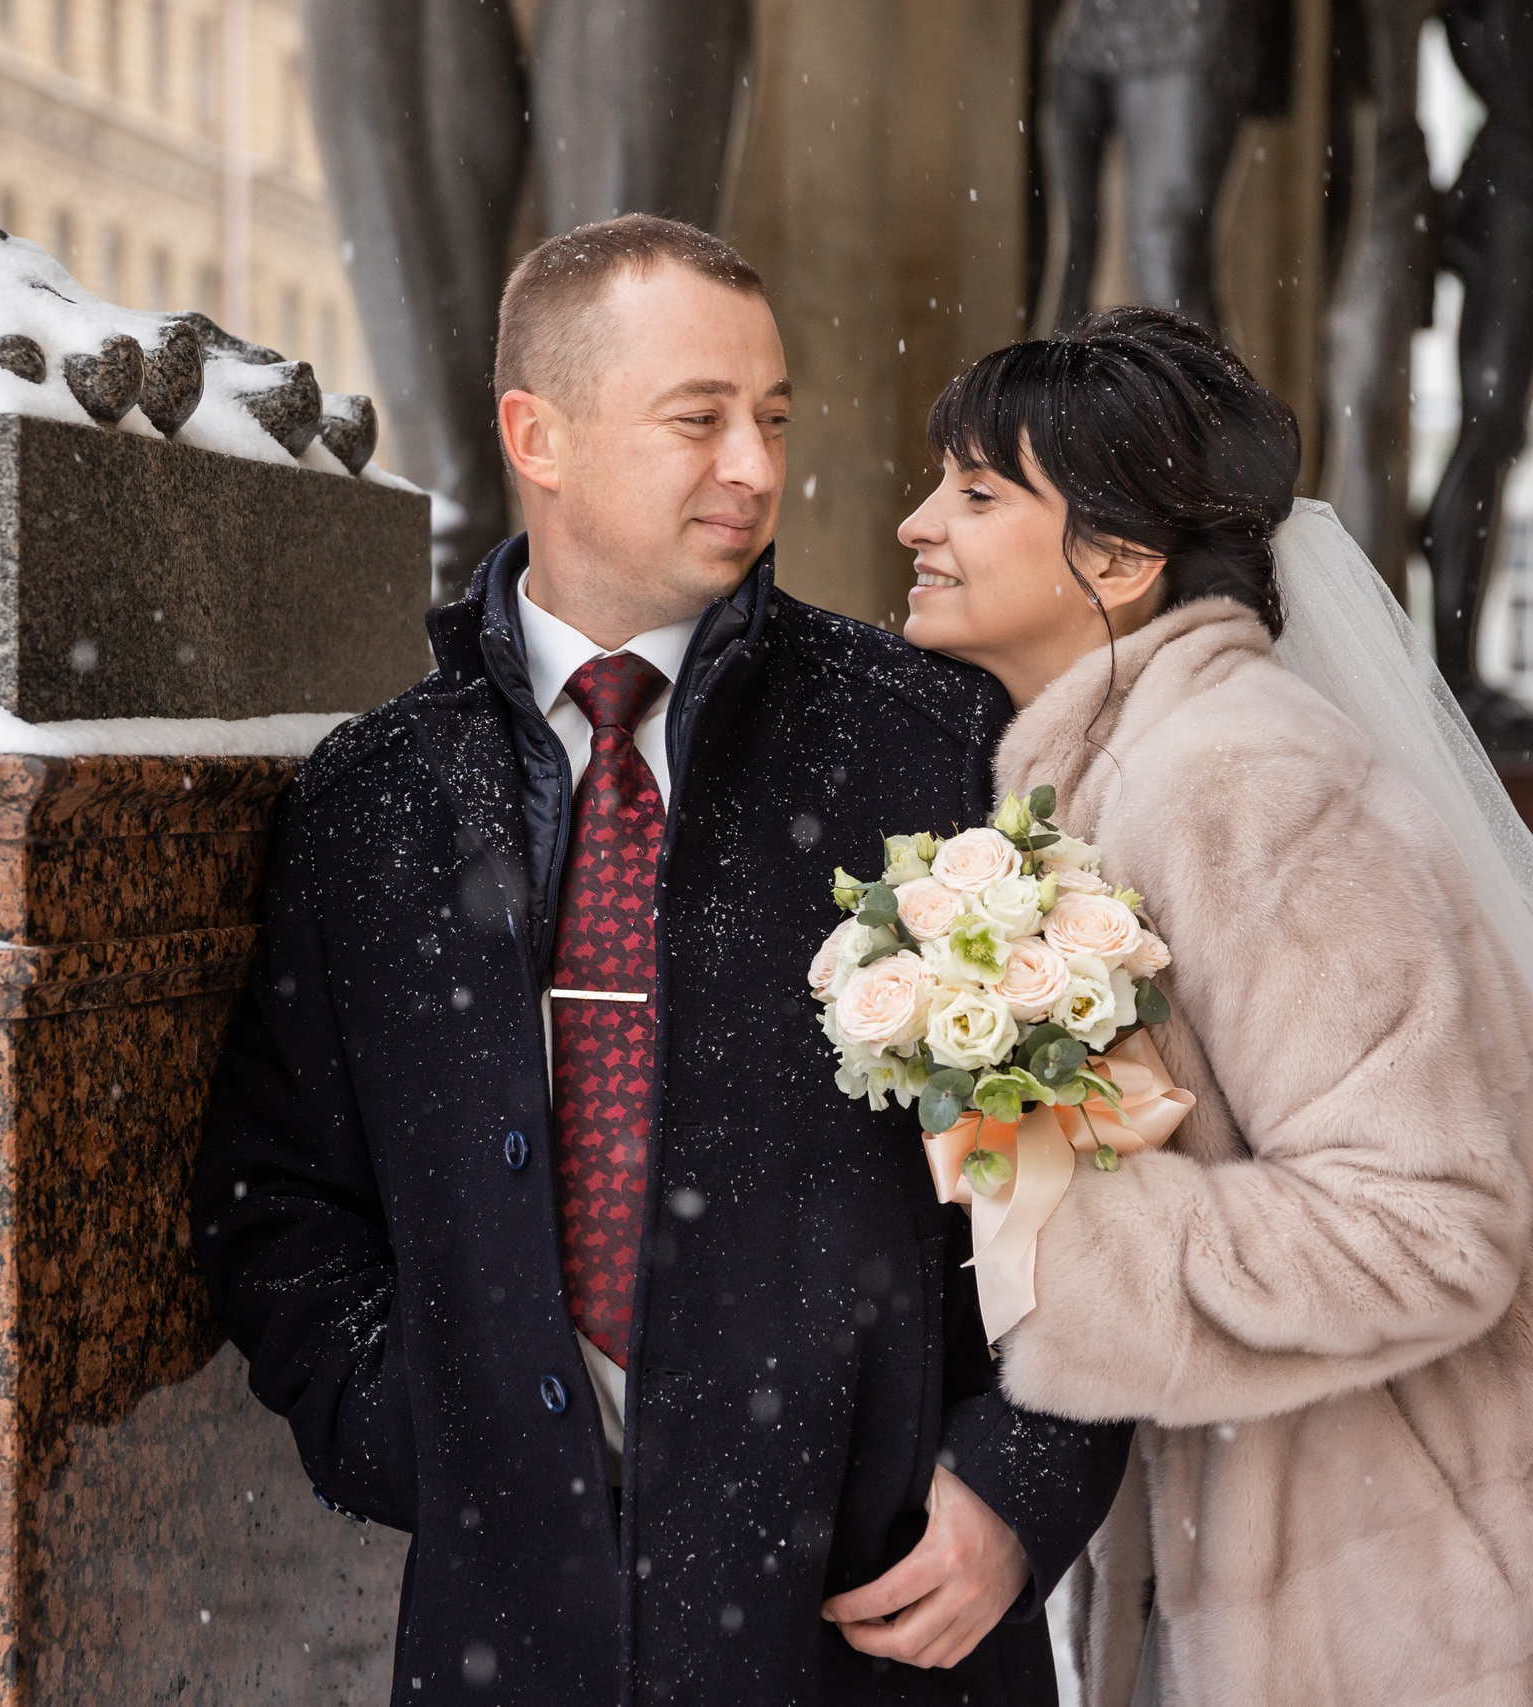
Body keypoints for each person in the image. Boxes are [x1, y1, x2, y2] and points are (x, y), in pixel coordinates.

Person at [192, 215, 1132, 1705]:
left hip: (877, 1621)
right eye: (699, 421)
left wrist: (1019, 1483)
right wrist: (415, 1431)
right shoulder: (369, 798)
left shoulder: (932, 737)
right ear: (537, 435)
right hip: (515, 1630)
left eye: (771, 418)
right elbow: (276, 1197)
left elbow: (1109, 1156)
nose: (754, 468)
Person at [896, 305, 1533, 1705]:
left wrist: (1064, 1229)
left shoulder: (1242, 780)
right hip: (1370, 1569)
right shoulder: (1134, 775)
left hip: (1478, 1598)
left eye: (977, 494)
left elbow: (1426, 1225)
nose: (918, 525)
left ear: (1116, 560)